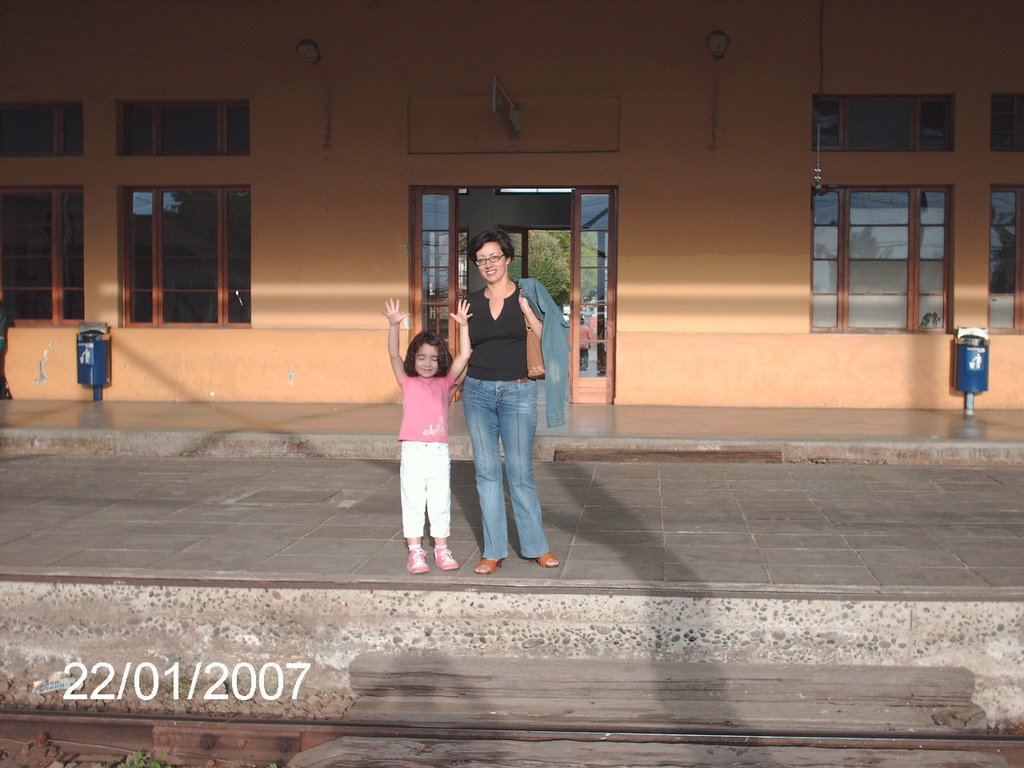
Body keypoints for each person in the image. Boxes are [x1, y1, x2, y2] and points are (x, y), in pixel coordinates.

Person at [462, 229, 569, 575]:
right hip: (477, 392)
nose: (488, 264)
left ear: (507, 259)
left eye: (494, 257)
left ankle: (536, 546)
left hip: (518, 393)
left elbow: (550, 337)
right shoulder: (471, 302)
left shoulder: (526, 294)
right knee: (487, 472)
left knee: (520, 473)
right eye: (481, 259)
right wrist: (449, 383)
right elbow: (465, 350)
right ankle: (493, 550)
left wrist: (526, 310)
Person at [383, 297, 472, 574]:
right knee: (412, 500)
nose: (427, 363)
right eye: (421, 357)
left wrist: (464, 326)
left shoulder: (446, 383)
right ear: (414, 359)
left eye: (434, 358)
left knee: (439, 500)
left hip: (437, 453)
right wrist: (394, 325)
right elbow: (393, 355)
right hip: (412, 450)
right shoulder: (406, 380)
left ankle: (441, 549)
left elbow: (465, 355)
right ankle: (415, 552)